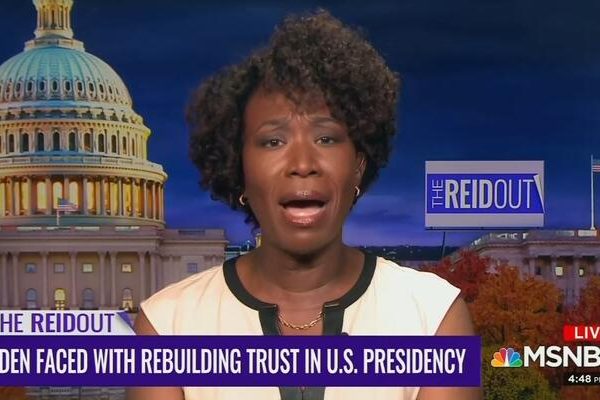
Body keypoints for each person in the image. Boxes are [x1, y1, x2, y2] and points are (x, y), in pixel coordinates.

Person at [128, 10, 481, 400]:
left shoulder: (433, 315)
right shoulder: (167, 324)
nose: (302, 164)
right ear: (238, 168)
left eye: (326, 139)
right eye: (273, 141)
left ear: (359, 164)